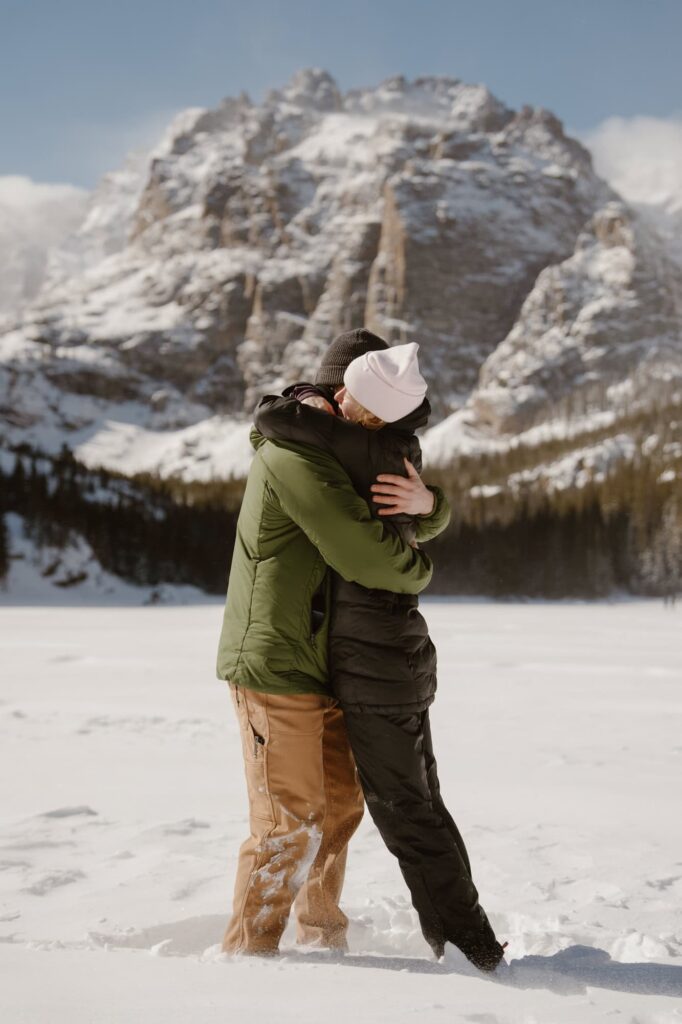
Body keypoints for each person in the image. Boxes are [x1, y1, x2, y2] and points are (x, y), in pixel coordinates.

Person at [254, 333, 506, 972]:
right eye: (335, 392)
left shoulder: (354, 450)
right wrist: (434, 507)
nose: (336, 402)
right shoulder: (385, 449)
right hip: (393, 661)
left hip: (377, 668)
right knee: (416, 805)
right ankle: (465, 938)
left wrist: (293, 404)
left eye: (344, 392)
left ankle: (470, 947)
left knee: (406, 814)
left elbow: (372, 554)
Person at [216, 330, 446, 957]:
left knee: (342, 808)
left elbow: (400, 509)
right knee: (285, 822)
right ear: (334, 391)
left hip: (329, 661)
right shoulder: (295, 451)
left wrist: (431, 507)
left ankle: (322, 940)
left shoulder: (345, 455)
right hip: (277, 659)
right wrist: (420, 570)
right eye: (352, 401)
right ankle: (247, 956)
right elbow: (362, 551)